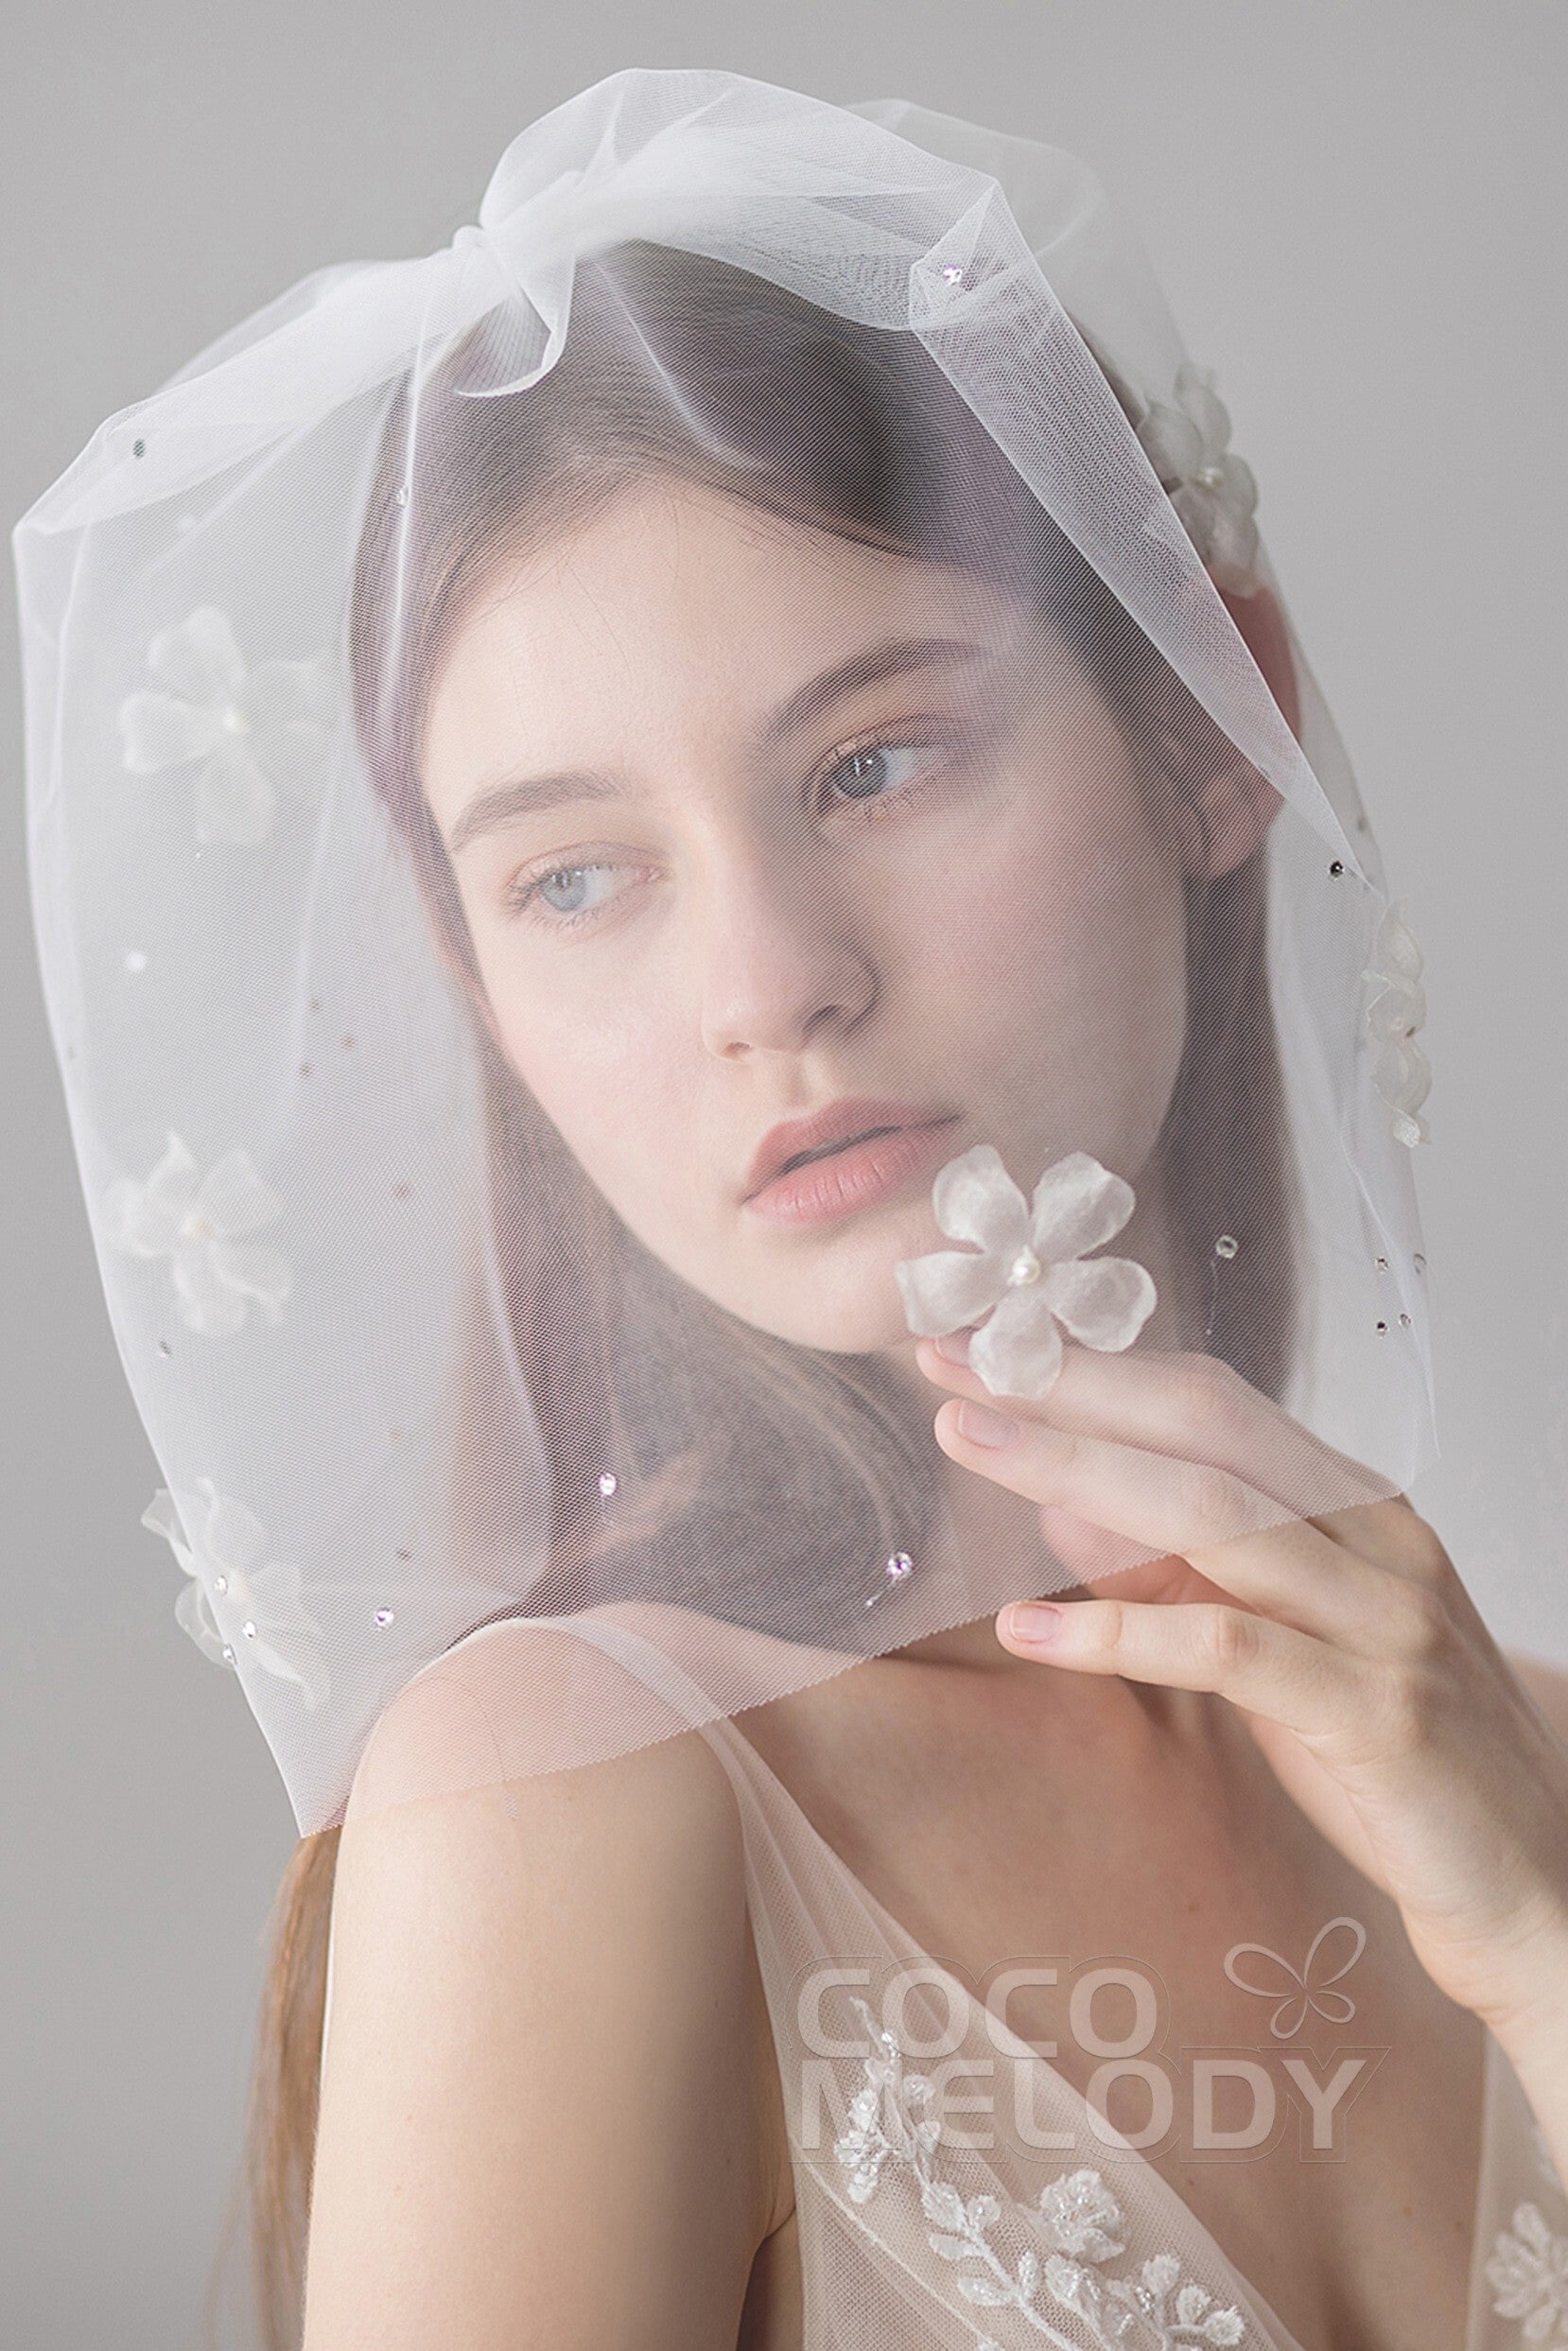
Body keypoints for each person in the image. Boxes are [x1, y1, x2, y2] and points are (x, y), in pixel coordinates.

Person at [15, 68, 1567, 2351]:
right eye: (576, 878)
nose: (767, 987)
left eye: (872, 761)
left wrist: (1539, 1938)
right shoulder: (583, 1796)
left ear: (1210, 721)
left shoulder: (1516, 1757)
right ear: (478, 986)